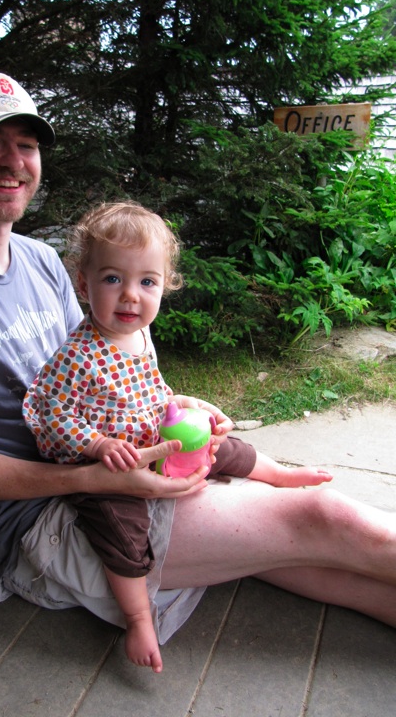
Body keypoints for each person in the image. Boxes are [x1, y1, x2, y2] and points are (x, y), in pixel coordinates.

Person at [0, 72, 396, 674]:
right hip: (44, 526)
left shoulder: (40, 260)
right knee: (321, 518)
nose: (13, 160)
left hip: (116, 463)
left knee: (302, 550)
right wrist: (96, 481)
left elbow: (101, 362)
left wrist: (174, 402)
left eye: (28, 144)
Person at [22, 201, 333, 672]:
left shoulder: (140, 336)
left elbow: (150, 388)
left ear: (165, 286)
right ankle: (139, 616)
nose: (130, 296)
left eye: (147, 282)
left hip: (154, 437)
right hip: (107, 468)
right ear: (84, 285)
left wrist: (182, 405)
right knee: (121, 530)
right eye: (112, 279)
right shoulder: (79, 354)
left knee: (221, 445)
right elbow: (52, 415)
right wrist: (99, 445)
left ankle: (280, 475)